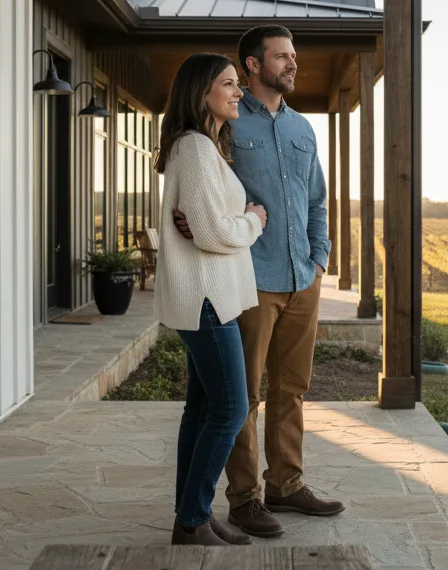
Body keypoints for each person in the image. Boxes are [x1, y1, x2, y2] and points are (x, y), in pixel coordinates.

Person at [174, 25, 344, 539]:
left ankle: (286, 485)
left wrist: (319, 258)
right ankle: (244, 499)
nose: (293, 64)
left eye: (294, 56)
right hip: (248, 279)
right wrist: (201, 219)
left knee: (292, 388)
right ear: (252, 64)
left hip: (301, 277)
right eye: (282, 57)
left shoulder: (302, 129)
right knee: (241, 395)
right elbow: (210, 190)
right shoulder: (225, 123)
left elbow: (316, 201)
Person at [153, 52, 269, 546]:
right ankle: (193, 519)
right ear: (202, 92)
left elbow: (204, 226)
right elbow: (209, 230)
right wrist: (254, 221)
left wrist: (222, 225)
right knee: (230, 409)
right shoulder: (197, 149)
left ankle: (191, 513)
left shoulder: (199, 148)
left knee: (201, 411)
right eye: (229, 83)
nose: (239, 90)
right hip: (206, 299)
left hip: (208, 297)